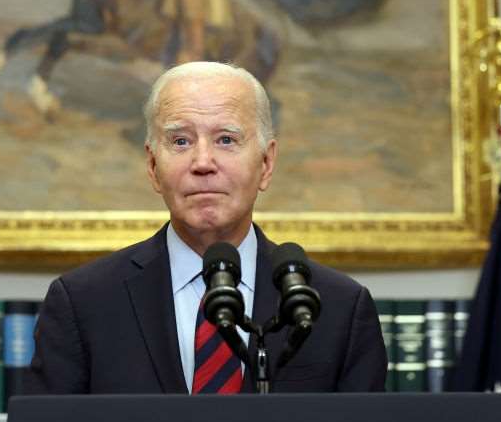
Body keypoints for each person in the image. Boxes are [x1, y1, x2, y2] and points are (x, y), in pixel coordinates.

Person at [22, 61, 387, 394]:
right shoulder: (83, 302)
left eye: (226, 140)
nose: (202, 162)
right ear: (153, 166)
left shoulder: (340, 307)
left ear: (266, 163)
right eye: (180, 141)